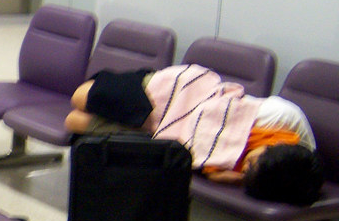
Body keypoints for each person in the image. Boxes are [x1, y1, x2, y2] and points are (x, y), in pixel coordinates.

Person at [65, 64, 324, 205]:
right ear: (274, 147)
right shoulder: (284, 119)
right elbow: (215, 114)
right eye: (252, 163)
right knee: (79, 97)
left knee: (74, 121)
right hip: (174, 97)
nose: (245, 167)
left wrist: (229, 176)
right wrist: (214, 163)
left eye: (249, 172)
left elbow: (210, 152)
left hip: (162, 132)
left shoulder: (277, 177)